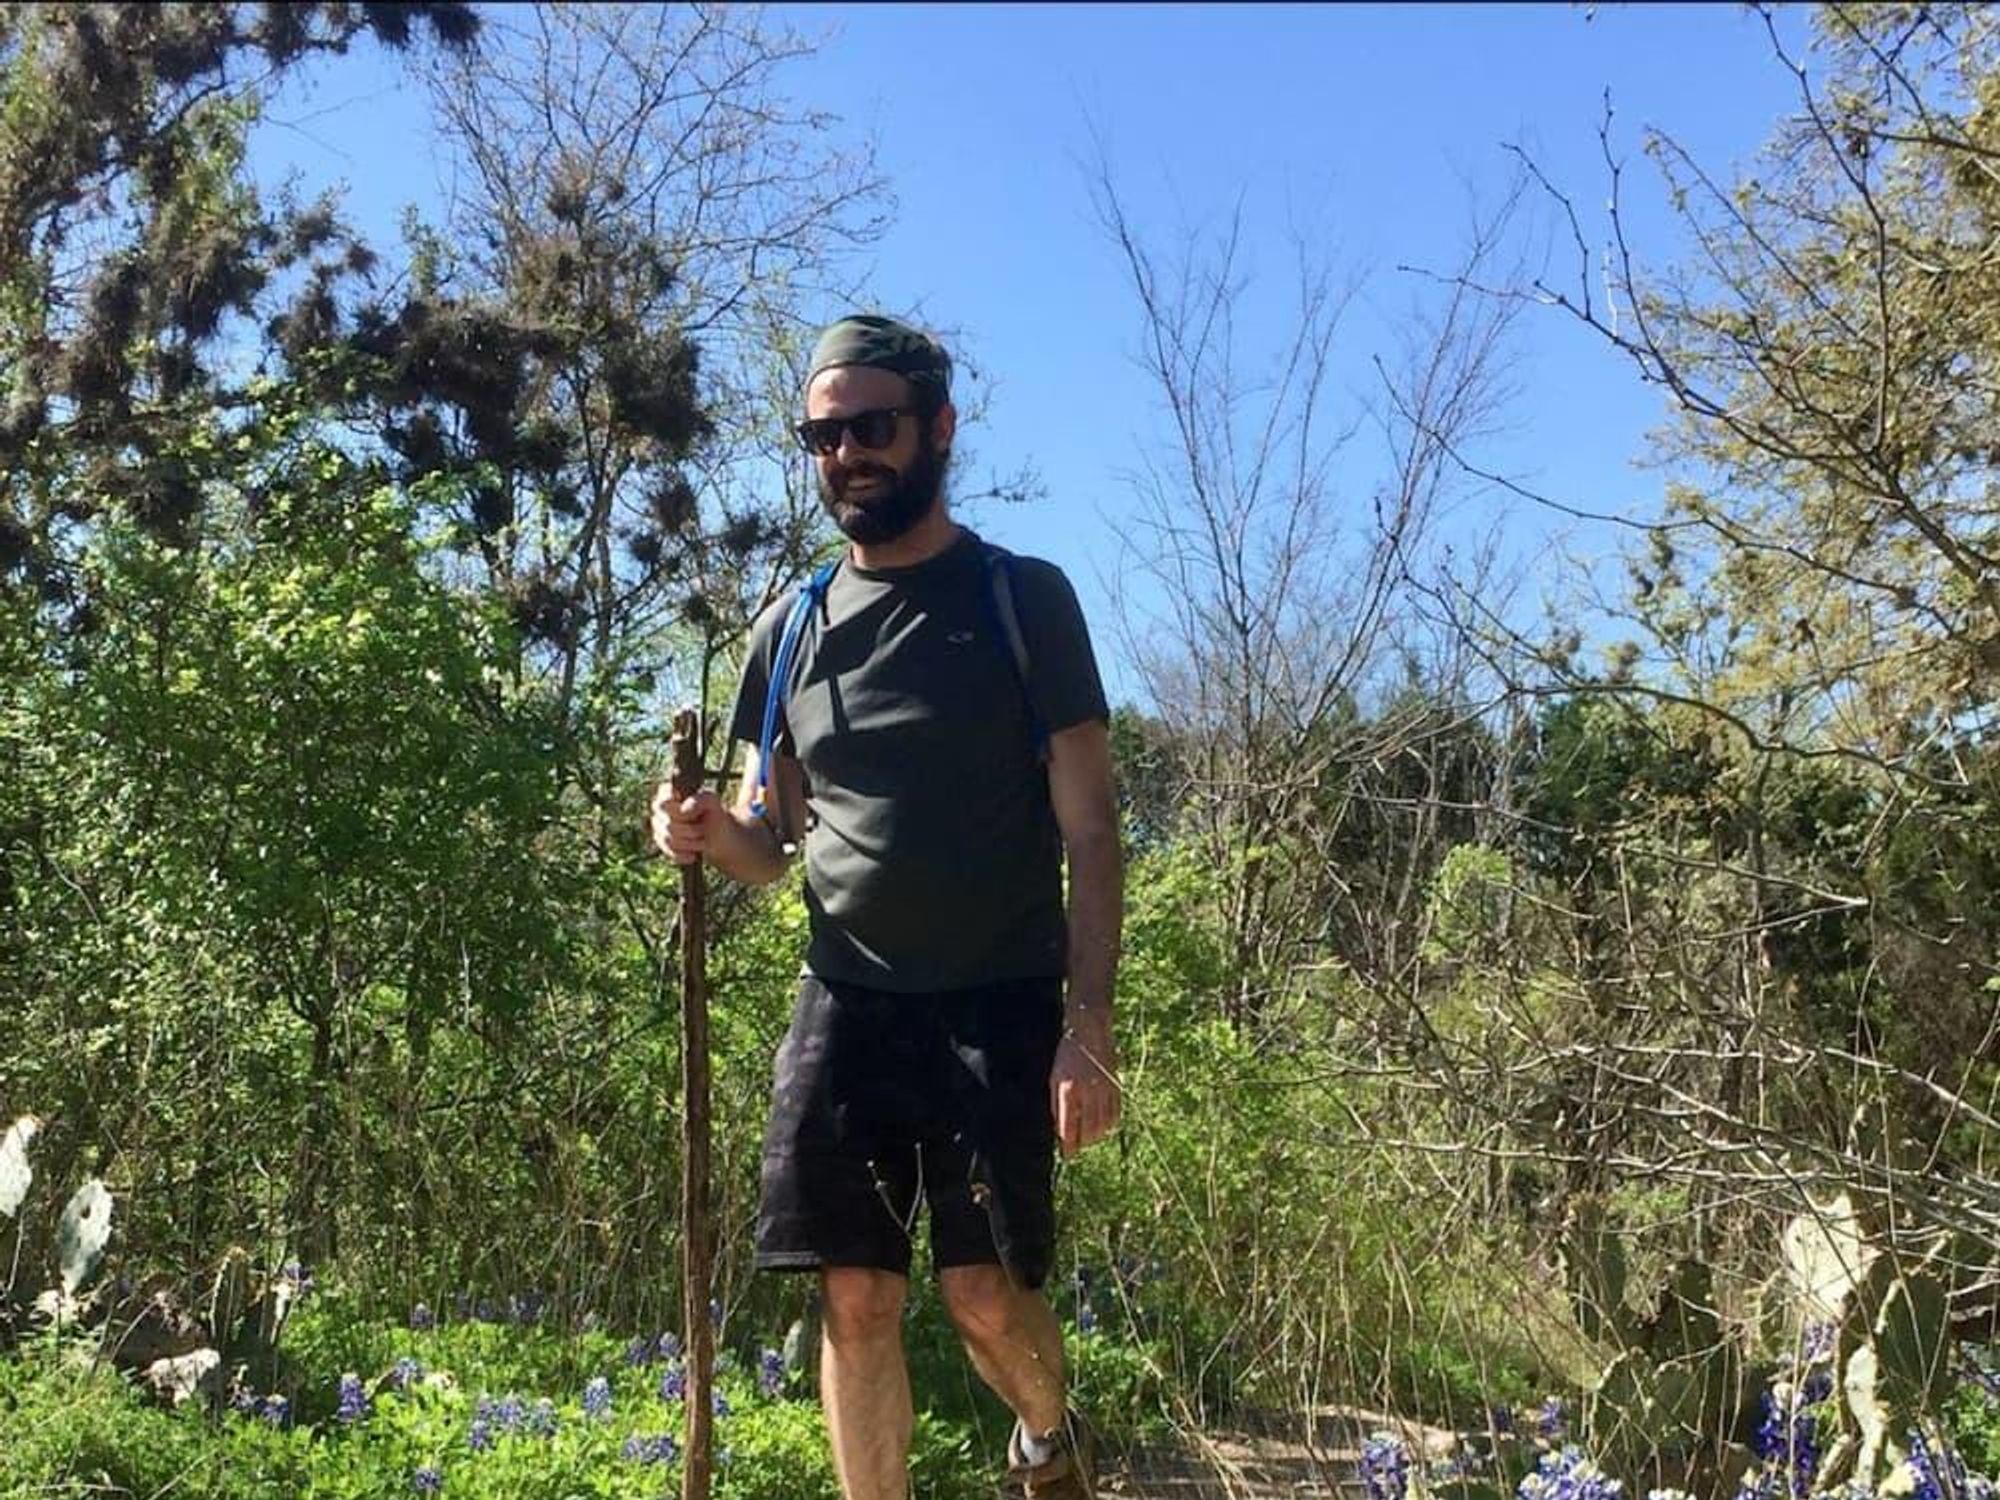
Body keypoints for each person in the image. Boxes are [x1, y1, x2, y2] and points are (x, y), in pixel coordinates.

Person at [651, 313, 1123, 1500]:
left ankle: (1046, 1440)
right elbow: (773, 837)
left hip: (997, 999)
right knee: (854, 1296)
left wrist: (1089, 1028)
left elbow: (1092, 828)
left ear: (938, 429)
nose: (846, 454)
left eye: (872, 427)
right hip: (847, 998)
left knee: (980, 1295)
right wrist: (707, 838)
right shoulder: (792, 629)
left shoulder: (1022, 602)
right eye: (822, 435)